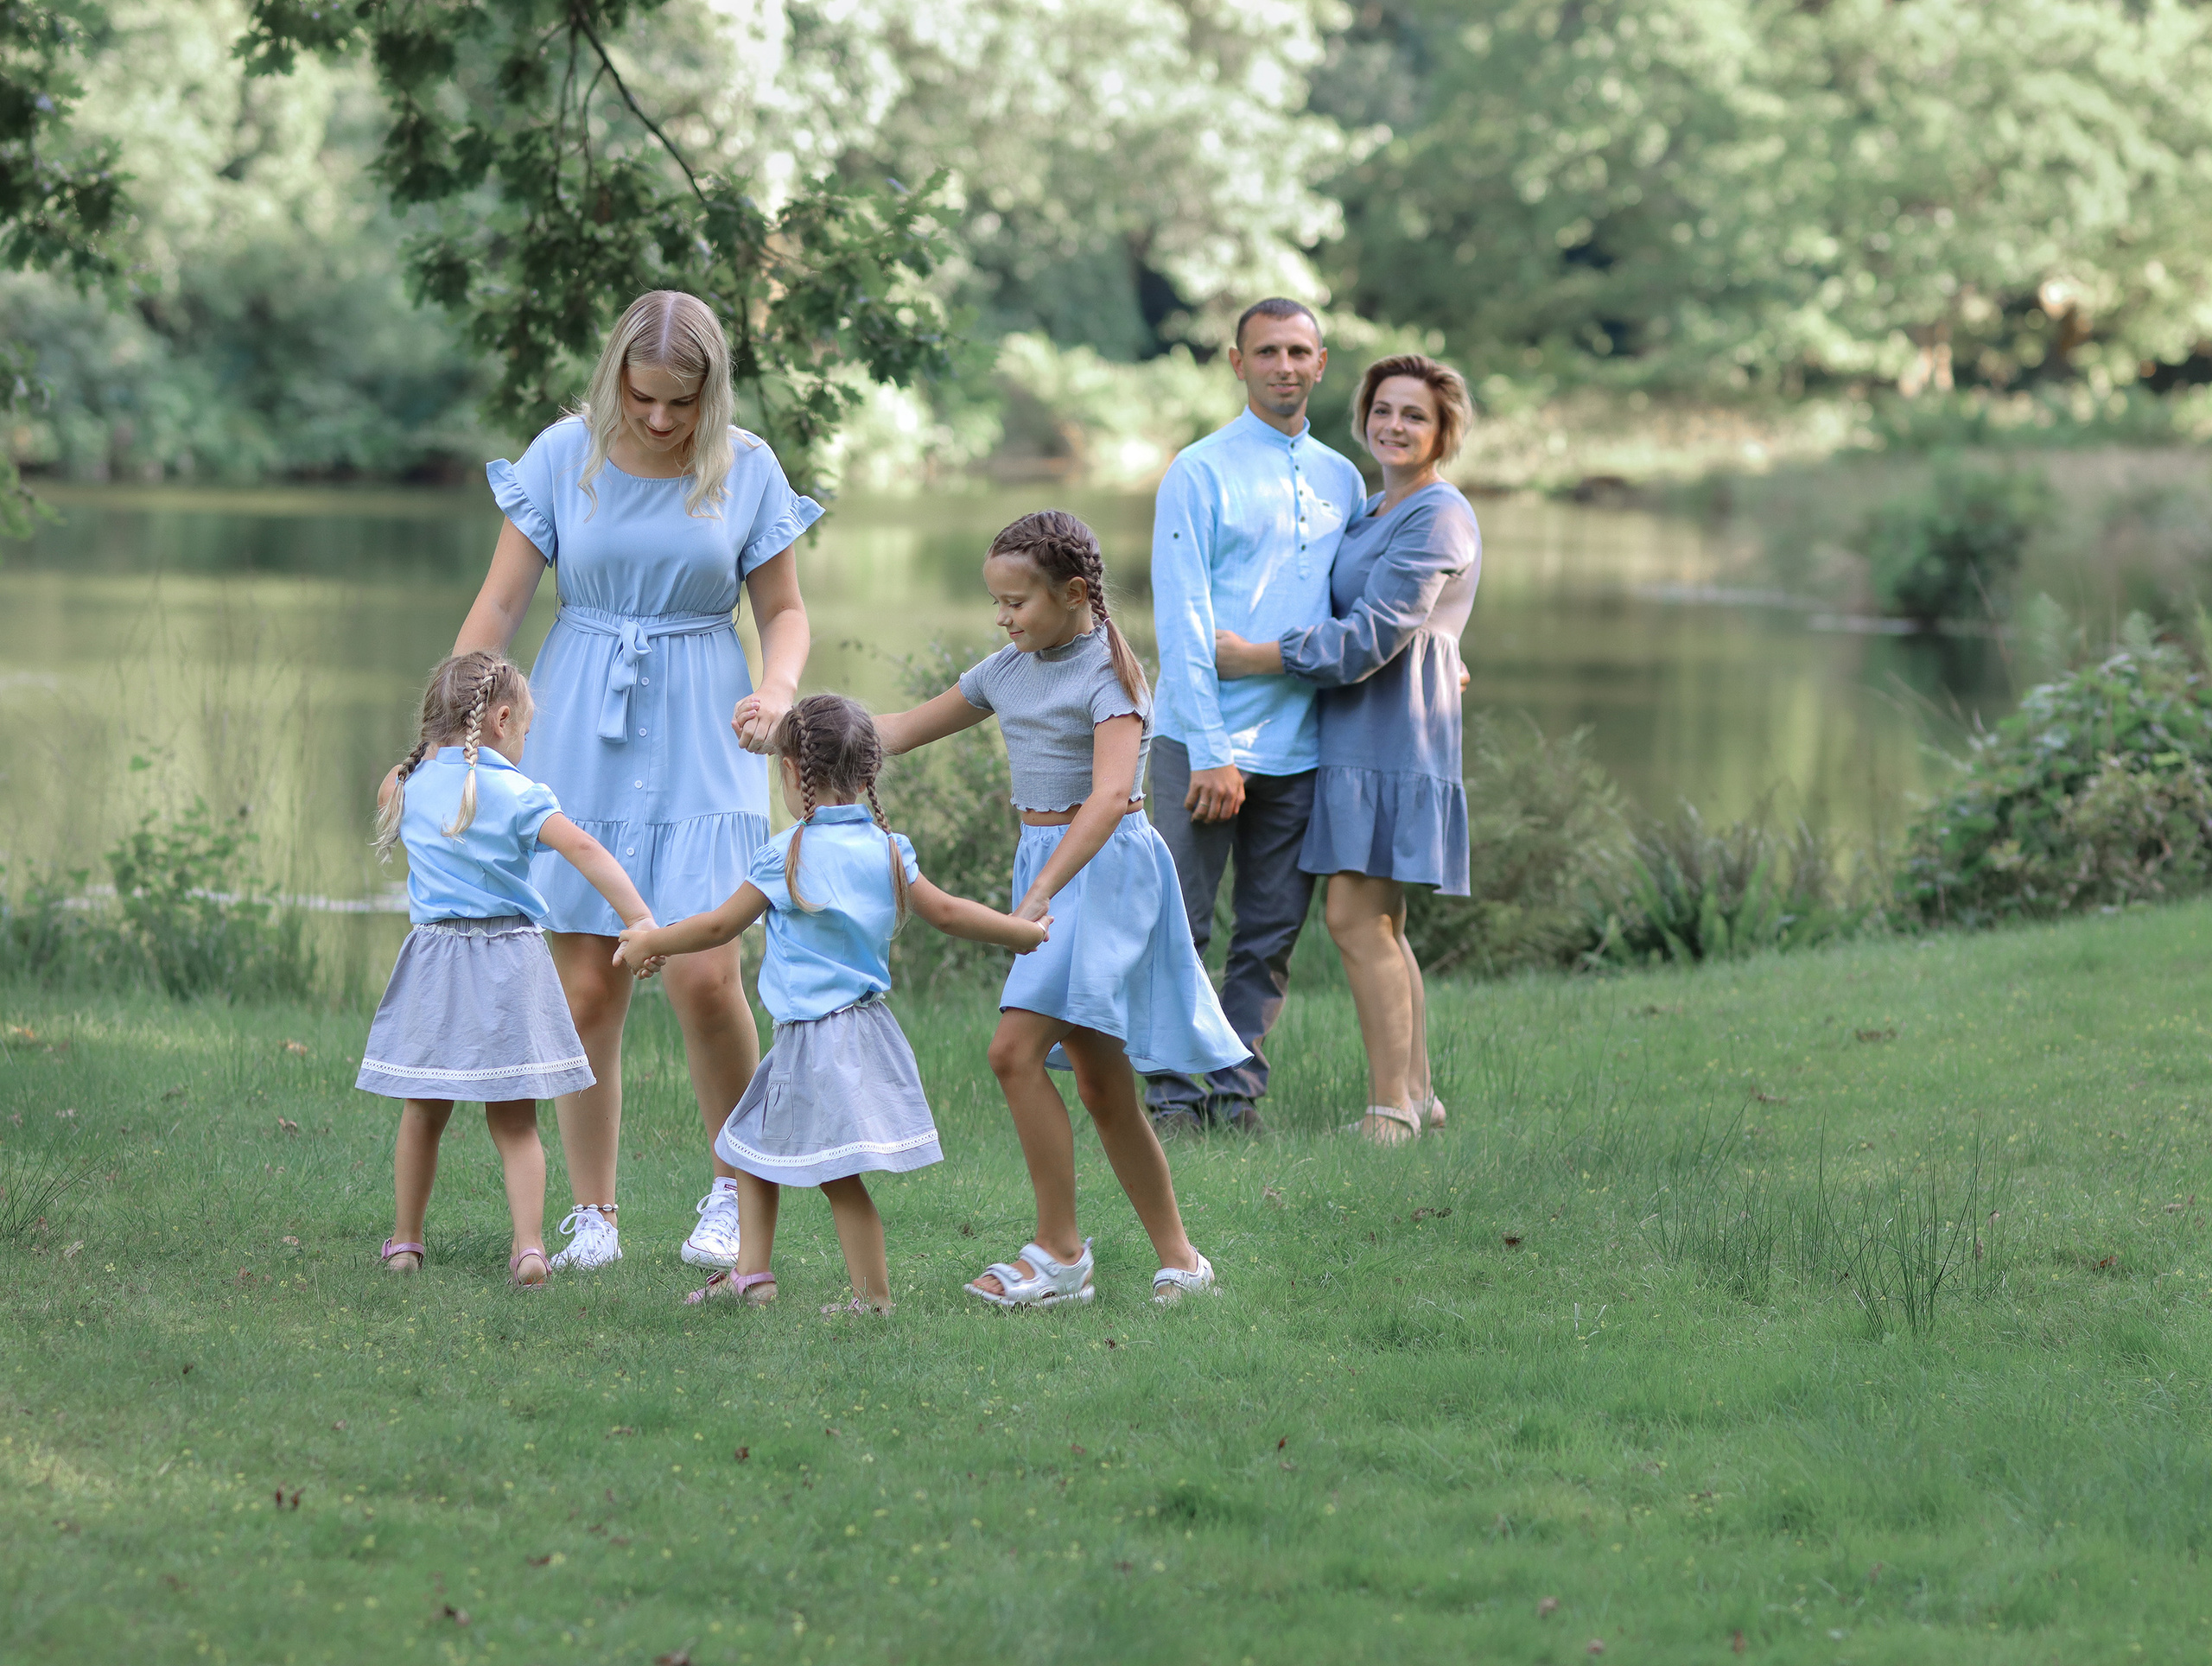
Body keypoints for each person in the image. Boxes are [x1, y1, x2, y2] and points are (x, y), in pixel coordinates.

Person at [457, 289, 818, 1273]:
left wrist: (776, 691)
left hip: (707, 720)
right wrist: (456, 731)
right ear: (615, 374)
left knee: (705, 972)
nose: (660, 419)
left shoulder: (747, 467)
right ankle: (595, 1215)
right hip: (579, 716)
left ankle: (733, 1191)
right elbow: (500, 604)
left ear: (713, 390)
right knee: (585, 986)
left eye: (681, 401)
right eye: (643, 396)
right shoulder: (560, 456)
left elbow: (785, 612)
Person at [876, 511, 1242, 1306]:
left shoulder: (1111, 678)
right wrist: (796, 730)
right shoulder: (1010, 669)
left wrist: (1043, 891)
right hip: (1048, 866)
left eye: (1017, 603)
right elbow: (895, 732)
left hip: (1103, 873)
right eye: (997, 604)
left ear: (1074, 594)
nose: (1003, 619)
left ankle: (1059, 1253)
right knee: (1102, 1085)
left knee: (1013, 1052)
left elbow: (1109, 798)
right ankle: (1183, 1262)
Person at [613, 695, 1048, 1313]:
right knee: (748, 1145)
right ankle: (752, 1275)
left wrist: (651, 940)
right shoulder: (888, 848)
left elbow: (718, 927)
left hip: (815, 1039)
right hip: (861, 1030)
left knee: (836, 1177)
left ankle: (872, 1301)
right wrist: (1019, 933)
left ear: (792, 772)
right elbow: (950, 914)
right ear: (869, 773)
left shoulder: (787, 852)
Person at [1214, 353, 1482, 1144]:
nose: (1394, 425)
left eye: (1415, 415)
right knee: (1381, 923)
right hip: (1360, 729)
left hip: (1394, 733)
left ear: (1443, 433)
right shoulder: (1371, 509)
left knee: (1356, 921)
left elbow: (1374, 634)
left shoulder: (1439, 513)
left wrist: (1258, 656)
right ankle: (1418, 1097)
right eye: (1384, 410)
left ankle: (1389, 1111)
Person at [359, 651, 656, 1285]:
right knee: (517, 1122)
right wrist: (640, 919)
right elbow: (585, 848)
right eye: (525, 729)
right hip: (509, 964)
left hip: (435, 961)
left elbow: (394, 788)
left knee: (423, 1112)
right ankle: (529, 1249)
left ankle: (406, 1243)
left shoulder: (406, 785)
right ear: (500, 721)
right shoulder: (520, 794)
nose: (525, 742)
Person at [1145, 296, 1367, 1135]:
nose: (1284, 366)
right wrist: (1211, 750)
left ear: (1321, 363)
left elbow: (1361, 609)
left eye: (1299, 351)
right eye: (1267, 351)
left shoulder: (1344, 479)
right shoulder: (1199, 470)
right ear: (1238, 363)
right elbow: (1182, 618)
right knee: (1181, 927)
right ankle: (1172, 1097)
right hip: (1201, 743)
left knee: (1270, 935)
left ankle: (1235, 1094)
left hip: (1302, 746)